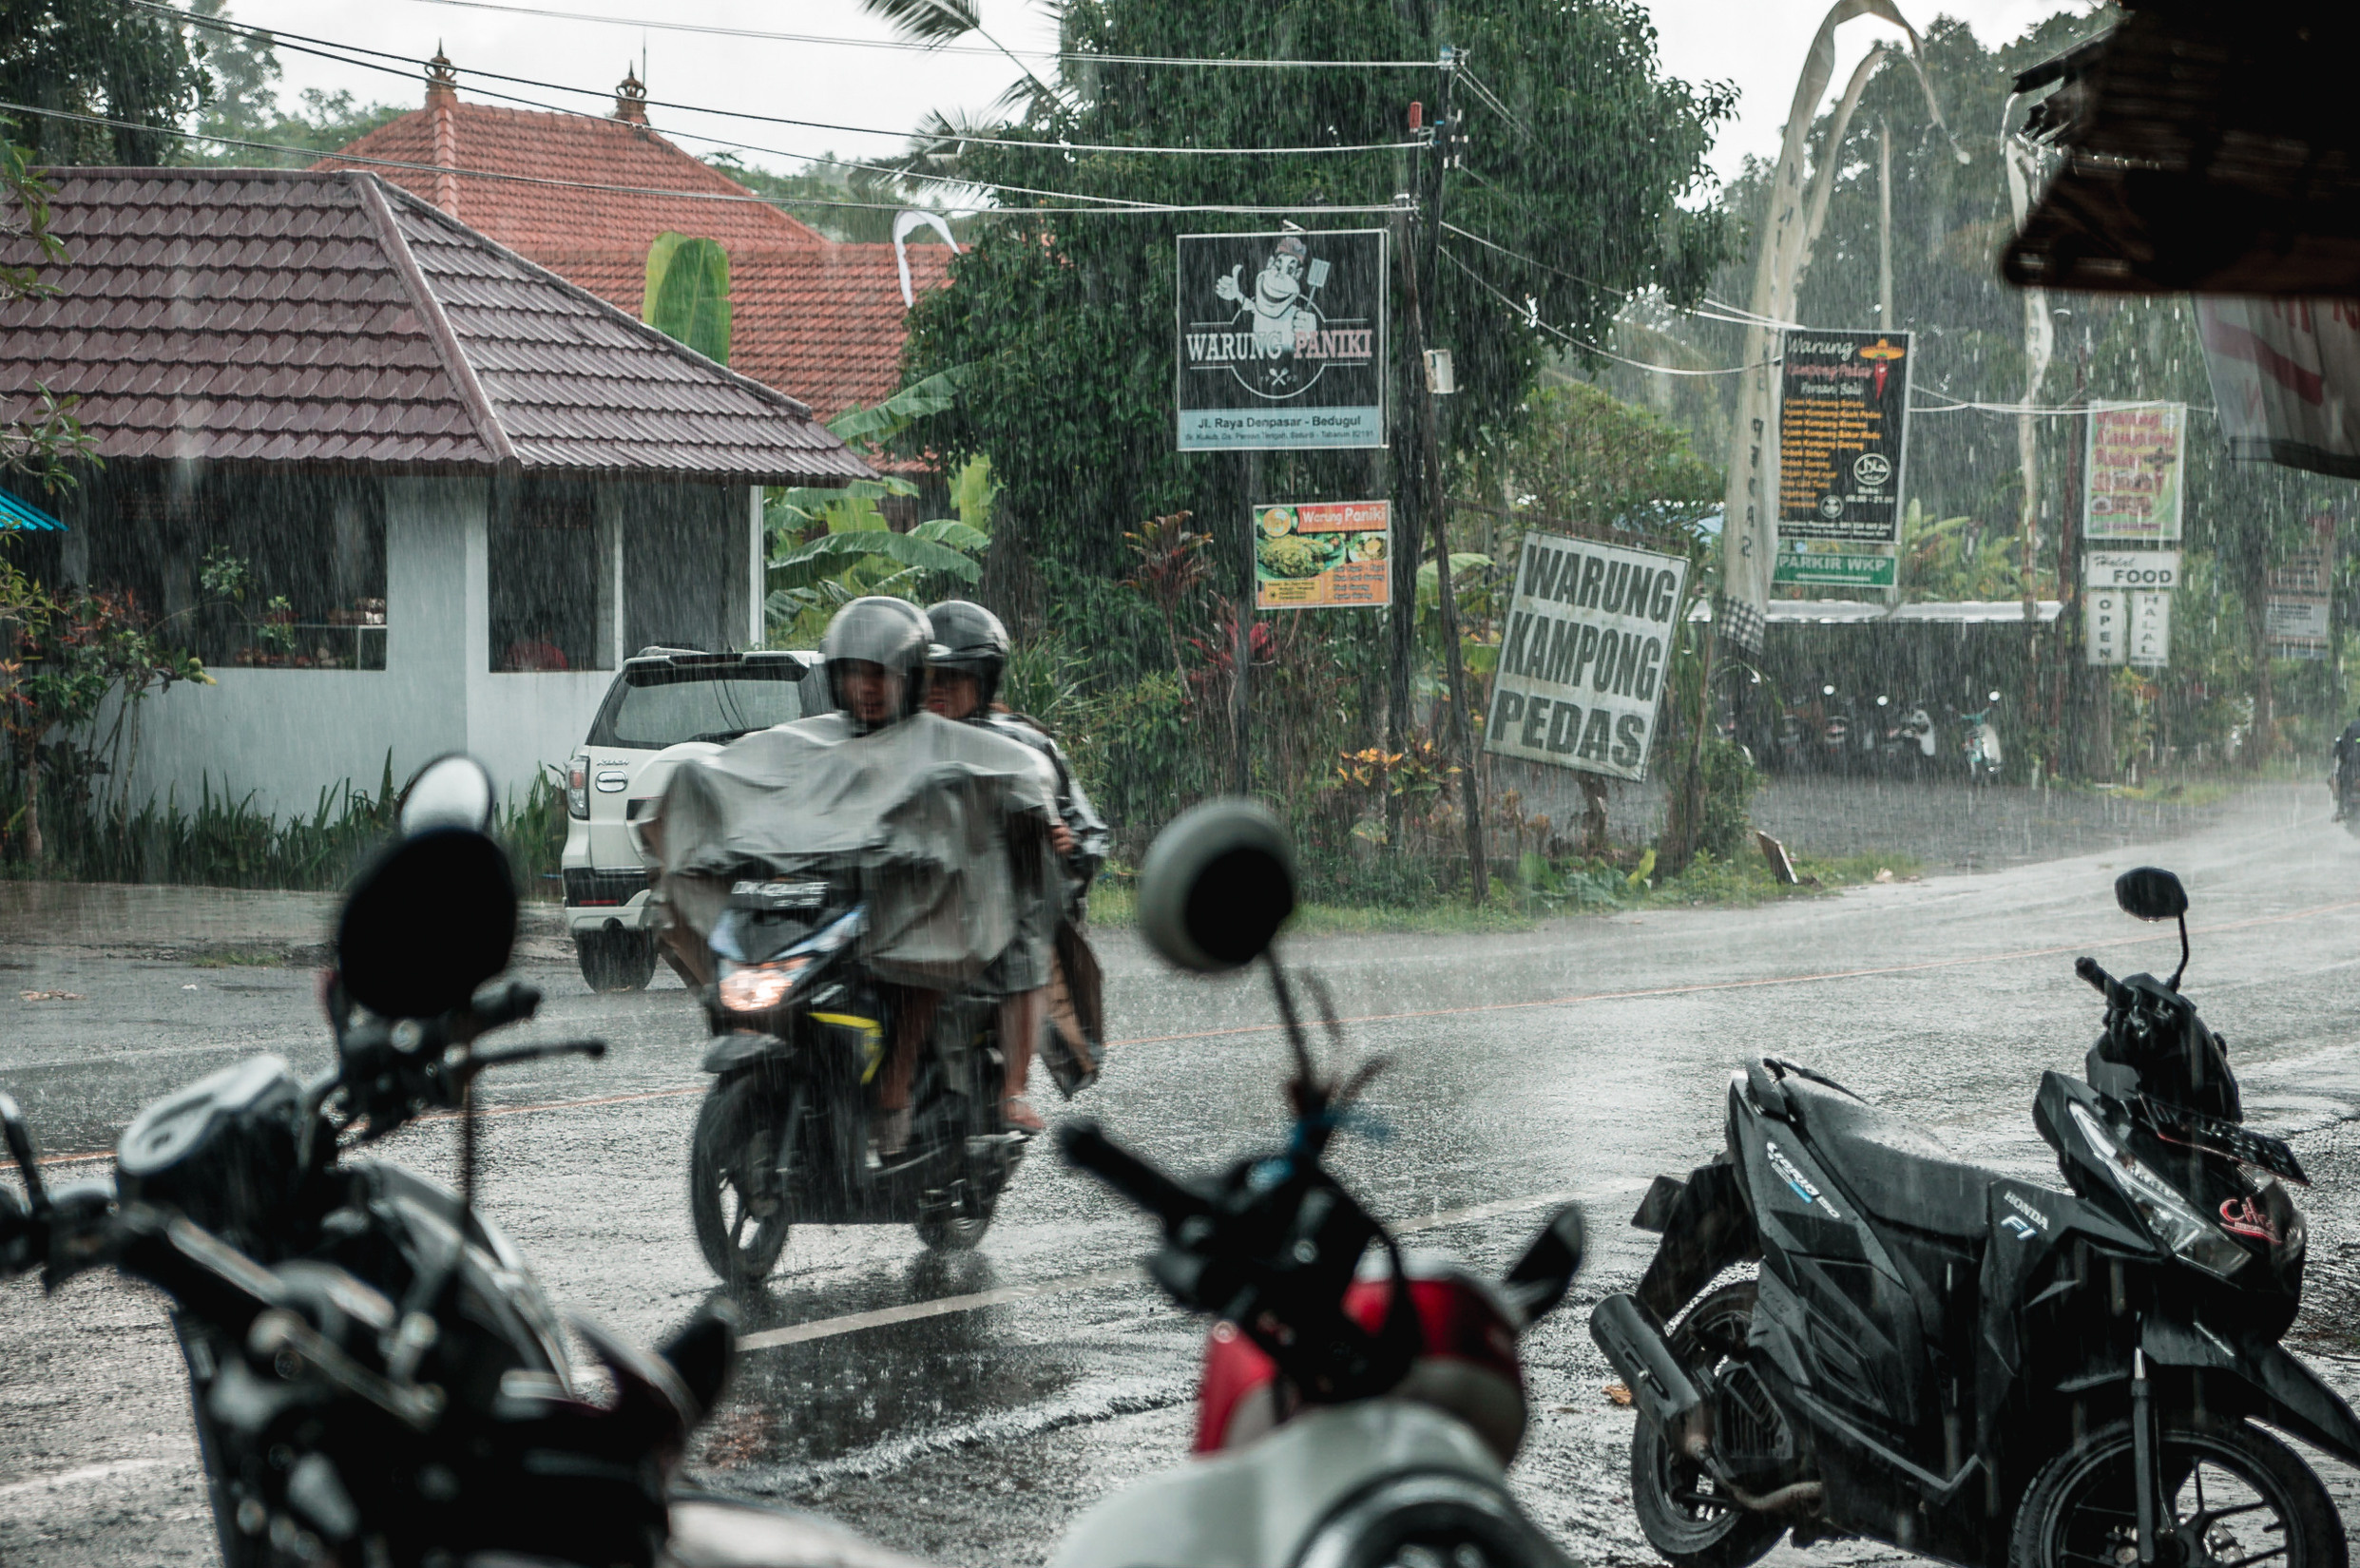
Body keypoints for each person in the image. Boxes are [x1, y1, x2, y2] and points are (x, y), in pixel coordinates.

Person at [927, 601, 1112, 1114]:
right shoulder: (893, 738)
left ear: (984, 681)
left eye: (954, 677)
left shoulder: (1027, 745)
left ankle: (1013, 1089)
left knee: (1023, 955)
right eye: (927, 676)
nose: (937, 690)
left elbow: (1084, 824)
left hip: (999, 907)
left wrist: (1070, 847)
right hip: (912, 896)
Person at [2334, 715, 2360, 820]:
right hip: (2352, 765)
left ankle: (2340, 810)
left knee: (2343, 779)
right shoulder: (2352, 727)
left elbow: (2340, 746)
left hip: (2351, 765)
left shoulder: (2351, 727)